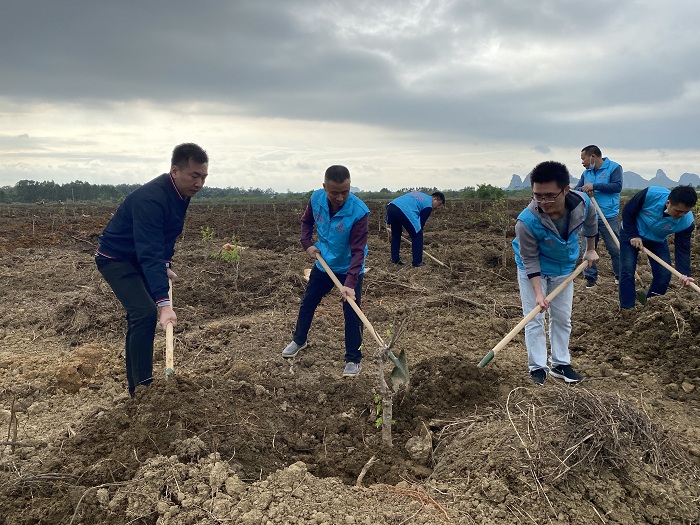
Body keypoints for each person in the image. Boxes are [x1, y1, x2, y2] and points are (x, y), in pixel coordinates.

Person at [95, 143, 208, 396]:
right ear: (175, 170)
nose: (199, 183)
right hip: (116, 259)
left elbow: (165, 237)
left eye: (203, 177)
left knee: (140, 319)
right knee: (145, 313)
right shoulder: (151, 199)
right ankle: (142, 389)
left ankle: (139, 386)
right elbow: (148, 252)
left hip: (137, 256)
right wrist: (164, 305)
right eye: (194, 176)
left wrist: (165, 264)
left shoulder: (180, 195)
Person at [512, 161, 599, 385]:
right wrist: (539, 293)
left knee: (562, 317)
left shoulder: (582, 204)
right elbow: (530, 260)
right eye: (537, 196)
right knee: (534, 318)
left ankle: (560, 364)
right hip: (534, 268)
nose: (543, 202)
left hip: (564, 266)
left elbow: (591, 223)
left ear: (566, 190)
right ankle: (537, 367)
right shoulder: (527, 221)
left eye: (550, 196)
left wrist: (590, 249)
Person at [281, 165, 370, 377]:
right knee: (308, 302)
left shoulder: (358, 211)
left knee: (352, 313)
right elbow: (306, 222)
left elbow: (358, 251)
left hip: (350, 267)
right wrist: (306, 243)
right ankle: (299, 340)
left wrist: (349, 284)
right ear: (324, 188)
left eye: (345, 192)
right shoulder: (316, 199)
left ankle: (353, 359)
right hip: (324, 263)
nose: (340, 197)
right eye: (335, 192)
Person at [619, 185, 696, 309]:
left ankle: (650, 307)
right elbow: (628, 211)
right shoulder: (651, 195)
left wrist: (684, 273)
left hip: (657, 240)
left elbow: (682, 248)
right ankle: (627, 309)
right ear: (668, 203)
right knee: (627, 271)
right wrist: (633, 235)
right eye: (678, 211)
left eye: (686, 212)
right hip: (632, 233)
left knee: (664, 275)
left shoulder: (687, 223)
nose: (682, 215)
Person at [575, 145, 623, 288]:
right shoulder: (586, 173)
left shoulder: (614, 168)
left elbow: (617, 186)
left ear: (593, 157)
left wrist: (595, 186)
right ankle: (591, 279)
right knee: (588, 249)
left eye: (583, 158)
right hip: (590, 216)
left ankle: (620, 277)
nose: (582, 162)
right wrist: (584, 189)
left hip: (609, 216)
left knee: (615, 248)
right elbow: (577, 189)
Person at [386, 191, 445, 266]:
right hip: (403, 210)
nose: (437, 208)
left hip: (391, 207)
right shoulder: (428, 205)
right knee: (418, 235)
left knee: (396, 234)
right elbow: (420, 224)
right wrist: (416, 233)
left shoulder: (420, 195)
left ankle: (395, 259)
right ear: (435, 199)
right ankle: (417, 262)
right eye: (439, 204)